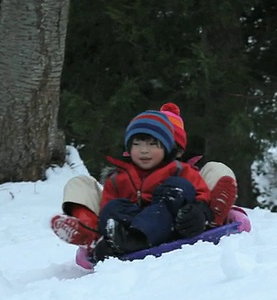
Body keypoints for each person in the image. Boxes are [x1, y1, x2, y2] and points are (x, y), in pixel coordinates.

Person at [51, 103, 238, 253]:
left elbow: (200, 193)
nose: (144, 150)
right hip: (132, 220)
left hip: (174, 221)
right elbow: (107, 208)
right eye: (137, 144)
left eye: (152, 144)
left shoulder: (180, 171)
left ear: (168, 148)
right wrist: (108, 224)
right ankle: (94, 234)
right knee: (110, 204)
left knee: (177, 187)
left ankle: (213, 217)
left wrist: (199, 212)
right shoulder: (119, 178)